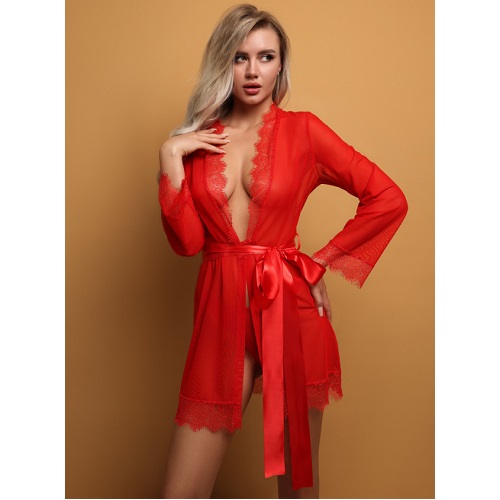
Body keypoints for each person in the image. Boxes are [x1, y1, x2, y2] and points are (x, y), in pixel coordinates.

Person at [157, 4, 408, 498]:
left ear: (280, 65)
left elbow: (388, 198)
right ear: (224, 63)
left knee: (298, 488)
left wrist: (318, 264)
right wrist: (170, 157)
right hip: (221, 313)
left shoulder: (304, 131)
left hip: (291, 309)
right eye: (240, 57)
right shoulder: (196, 142)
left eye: (265, 57)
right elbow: (187, 243)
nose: (253, 71)